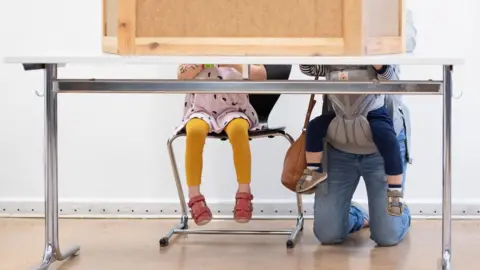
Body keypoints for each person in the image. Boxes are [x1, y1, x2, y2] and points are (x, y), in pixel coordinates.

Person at [299, 10, 417, 246]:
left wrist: (376, 49)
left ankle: (398, 212)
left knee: (387, 235)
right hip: (339, 137)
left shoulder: (391, 11)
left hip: (380, 140)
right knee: (328, 233)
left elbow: (401, 55)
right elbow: (309, 67)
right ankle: (357, 214)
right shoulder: (328, 12)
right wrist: (313, 41)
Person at [296, 65, 404, 217]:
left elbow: (389, 80)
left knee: (388, 138)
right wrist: (309, 52)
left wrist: (379, 66)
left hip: (373, 112)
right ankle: (314, 170)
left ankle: (395, 190)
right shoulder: (330, 61)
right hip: (339, 114)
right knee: (314, 127)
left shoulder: (372, 61)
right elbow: (310, 70)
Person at [175, 64, 267, 226]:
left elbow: (261, 76)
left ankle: (244, 191)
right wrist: (201, 63)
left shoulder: (242, 50)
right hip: (200, 110)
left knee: (238, 130)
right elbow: (181, 76)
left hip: (235, 109)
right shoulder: (194, 49)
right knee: (195, 132)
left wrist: (233, 63)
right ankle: (194, 195)